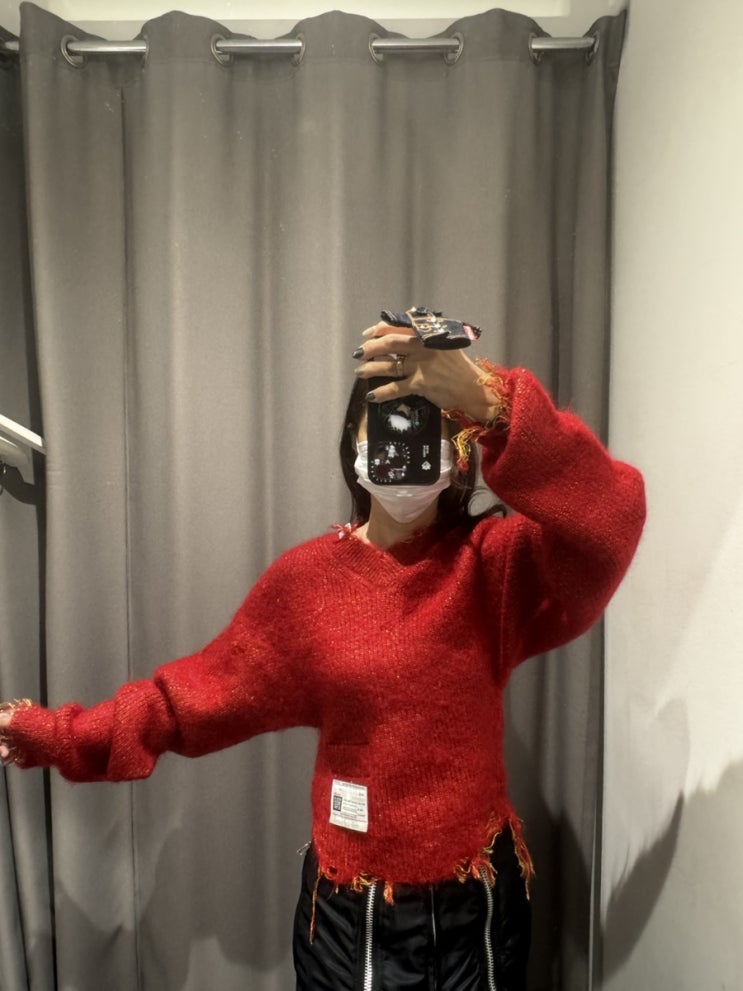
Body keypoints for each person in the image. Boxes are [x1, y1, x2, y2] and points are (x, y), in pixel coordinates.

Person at [0, 314, 646, 990]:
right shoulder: (308, 585)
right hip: (349, 918)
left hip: (477, 909)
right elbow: (188, 700)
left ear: (459, 450)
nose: (404, 440)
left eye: (427, 422)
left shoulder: (494, 567)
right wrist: (56, 735)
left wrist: (492, 402)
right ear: (354, 439)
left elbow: (613, 521)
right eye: (387, 421)